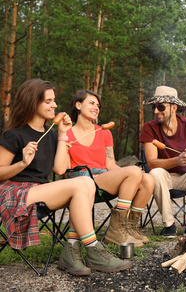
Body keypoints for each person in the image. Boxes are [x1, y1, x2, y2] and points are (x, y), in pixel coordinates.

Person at [0, 79, 130, 276]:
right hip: (16, 194)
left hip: (42, 190)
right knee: (82, 183)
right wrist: (22, 163)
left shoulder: (52, 135)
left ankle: (71, 250)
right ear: (32, 103)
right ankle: (93, 248)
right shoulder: (15, 135)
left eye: (54, 100)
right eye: (48, 101)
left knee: (85, 182)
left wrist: (62, 135)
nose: (55, 105)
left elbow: (60, 169)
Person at [67, 89, 154, 248]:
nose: (96, 107)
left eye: (98, 105)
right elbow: (64, 167)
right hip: (81, 180)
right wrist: (131, 173)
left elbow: (110, 165)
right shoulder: (66, 134)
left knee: (147, 178)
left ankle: (128, 227)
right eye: (92, 103)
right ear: (78, 105)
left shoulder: (104, 133)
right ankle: (116, 231)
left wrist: (131, 174)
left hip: (103, 178)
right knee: (134, 172)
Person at [139, 86, 186, 237]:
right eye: (154, 107)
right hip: (164, 179)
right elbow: (151, 163)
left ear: (174, 107)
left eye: (160, 107)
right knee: (155, 172)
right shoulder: (149, 127)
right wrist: (177, 160)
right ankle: (169, 224)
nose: (155, 111)